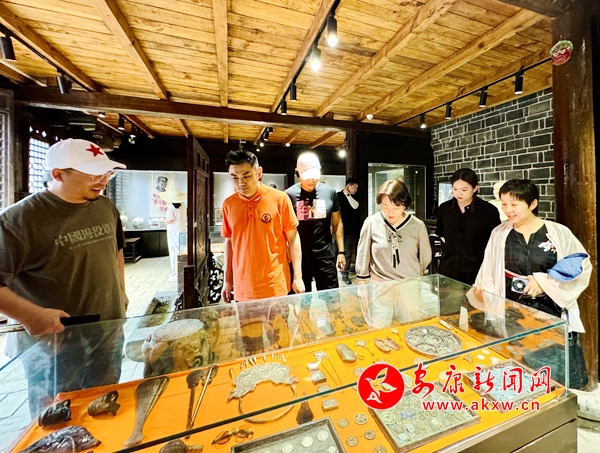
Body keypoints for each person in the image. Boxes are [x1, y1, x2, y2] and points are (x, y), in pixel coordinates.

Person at [0, 138, 129, 410]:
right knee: (58, 416)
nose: (102, 180)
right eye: (92, 174)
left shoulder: (104, 207)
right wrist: (31, 316)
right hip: (55, 341)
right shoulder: (20, 220)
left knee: (105, 405)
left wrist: (121, 291)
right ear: (58, 174)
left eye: (107, 172)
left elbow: (116, 248)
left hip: (107, 329)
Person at [473, 179, 591, 389]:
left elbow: (579, 264)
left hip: (550, 310)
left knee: (553, 372)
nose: (508, 210)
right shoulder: (499, 233)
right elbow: (489, 270)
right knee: (518, 369)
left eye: (514, 204)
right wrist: (484, 291)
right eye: (504, 204)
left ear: (533, 204)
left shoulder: (558, 232)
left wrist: (543, 281)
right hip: (512, 311)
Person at [221, 150, 304, 302]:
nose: (241, 182)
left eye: (246, 176)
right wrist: (227, 280)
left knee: (280, 319)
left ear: (259, 172)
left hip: (275, 285)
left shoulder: (280, 199)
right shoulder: (229, 204)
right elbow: (229, 242)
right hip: (243, 287)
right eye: (234, 177)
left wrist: (298, 277)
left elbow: (293, 239)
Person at [285, 152, 345, 292]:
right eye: (306, 176)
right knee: (300, 299)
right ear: (297, 172)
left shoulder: (330, 192)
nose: (310, 181)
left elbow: (337, 223)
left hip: (325, 255)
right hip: (299, 257)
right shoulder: (288, 195)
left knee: (331, 297)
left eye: (314, 176)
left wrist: (341, 251)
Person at [356, 179, 431, 283]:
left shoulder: (417, 226)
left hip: (409, 284)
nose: (390, 212)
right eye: (385, 207)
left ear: (405, 205)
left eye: (396, 208)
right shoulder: (372, 223)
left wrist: (414, 275)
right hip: (380, 284)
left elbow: (425, 258)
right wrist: (362, 282)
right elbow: (362, 255)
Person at [436, 168, 501, 285]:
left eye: (464, 189)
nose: (459, 193)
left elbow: (494, 241)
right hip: (449, 268)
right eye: (455, 189)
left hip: (477, 270)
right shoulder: (444, 209)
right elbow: (442, 234)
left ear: (475, 188)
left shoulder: (489, 211)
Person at [160, 186, 187, 282]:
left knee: (174, 253)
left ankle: (176, 272)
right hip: (182, 230)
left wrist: (163, 219)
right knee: (181, 252)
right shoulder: (183, 205)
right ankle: (181, 271)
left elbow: (170, 220)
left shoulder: (171, 207)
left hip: (173, 232)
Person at [337, 178, 359, 285]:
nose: (356, 190)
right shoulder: (337, 196)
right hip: (337, 229)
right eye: (354, 187)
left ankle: (345, 274)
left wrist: (348, 195)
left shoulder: (353, 197)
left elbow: (355, 206)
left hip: (349, 229)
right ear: (348, 186)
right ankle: (333, 272)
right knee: (334, 250)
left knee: (348, 253)